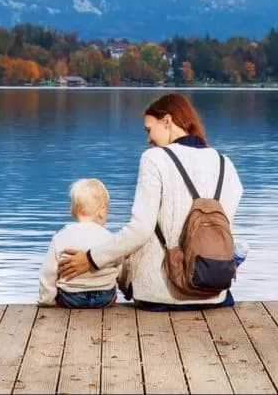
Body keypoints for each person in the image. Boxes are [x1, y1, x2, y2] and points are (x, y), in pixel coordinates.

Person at [58, 93, 243, 311]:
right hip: (213, 293)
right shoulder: (225, 164)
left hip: (160, 295)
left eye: (149, 129)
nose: (148, 139)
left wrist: (91, 259)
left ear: (167, 120)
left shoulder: (154, 158)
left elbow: (140, 230)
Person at [37, 178, 121, 308]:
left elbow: (48, 271)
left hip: (70, 298)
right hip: (105, 297)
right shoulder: (109, 237)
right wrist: (127, 289)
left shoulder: (61, 236)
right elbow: (121, 267)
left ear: (73, 210)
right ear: (103, 211)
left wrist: (46, 299)